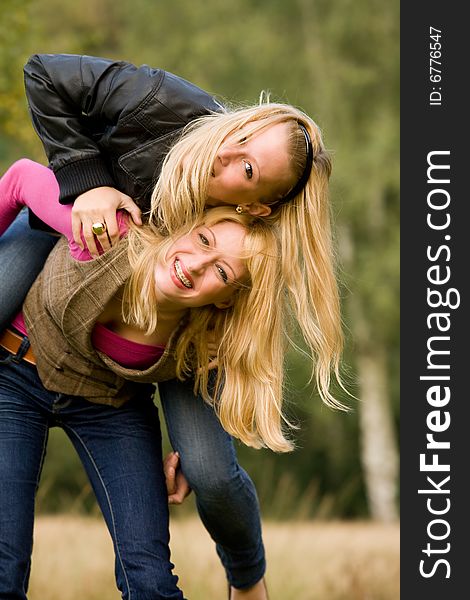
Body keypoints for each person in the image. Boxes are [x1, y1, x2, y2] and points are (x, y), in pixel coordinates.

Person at [0, 54, 345, 599]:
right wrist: (86, 180)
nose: (227, 151)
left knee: (208, 471)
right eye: (244, 135)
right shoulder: (163, 108)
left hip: (112, 393)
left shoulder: (221, 260)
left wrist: (192, 438)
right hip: (72, 222)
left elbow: (237, 335)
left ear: (259, 207)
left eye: (249, 170)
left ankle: (249, 580)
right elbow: (41, 84)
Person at [0, 158, 287, 599]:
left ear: (228, 299)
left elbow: (208, 436)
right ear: (187, 227)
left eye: (222, 272)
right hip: (15, 374)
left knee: (150, 581)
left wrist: (189, 455)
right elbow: (20, 175)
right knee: (4, 567)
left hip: (109, 406)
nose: (195, 265)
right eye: (204, 240)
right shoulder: (112, 233)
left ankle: (249, 581)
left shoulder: (202, 340)